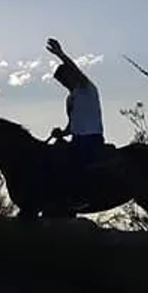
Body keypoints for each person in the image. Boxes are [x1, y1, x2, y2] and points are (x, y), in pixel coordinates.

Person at [45, 37, 104, 205]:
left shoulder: (87, 88)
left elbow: (75, 68)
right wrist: (62, 133)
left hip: (91, 137)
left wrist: (60, 54)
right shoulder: (70, 98)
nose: (64, 83)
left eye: (64, 79)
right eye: (61, 81)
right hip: (77, 138)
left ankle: (81, 196)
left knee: (75, 164)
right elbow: (72, 126)